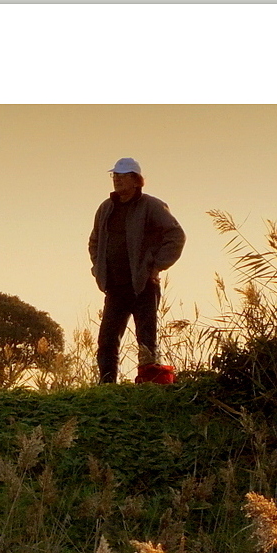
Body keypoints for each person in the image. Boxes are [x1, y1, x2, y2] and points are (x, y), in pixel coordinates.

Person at [88, 157, 186, 384]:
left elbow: (176, 236)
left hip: (143, 285)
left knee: (146, 341)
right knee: (107, 340)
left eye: (122, 176)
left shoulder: (151, 206)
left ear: (136, 180)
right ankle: (107, 387)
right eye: (115, 176)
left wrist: (156, 266)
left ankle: (148, 385)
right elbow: (94, 241)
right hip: (115, 287)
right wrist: (98, 267)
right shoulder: (106, 208)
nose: (117, 181)